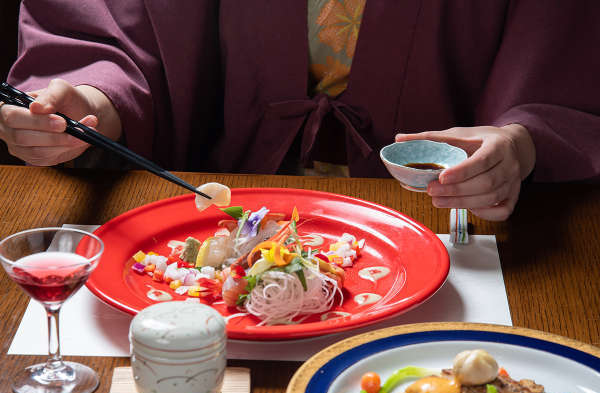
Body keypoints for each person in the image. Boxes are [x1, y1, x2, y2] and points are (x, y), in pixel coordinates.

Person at [1, 1, 599, 221]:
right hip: (218, 214)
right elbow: (107, 26)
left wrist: (518, 144)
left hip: (439, 219)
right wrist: (93, 104)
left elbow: (560, 52)